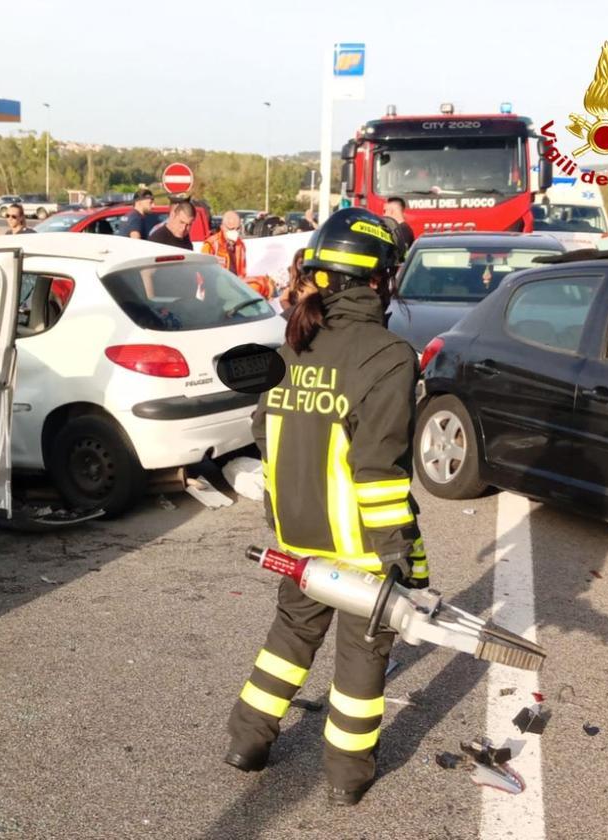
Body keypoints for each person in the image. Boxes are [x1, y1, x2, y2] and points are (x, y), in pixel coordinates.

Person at [225, 208, 428, 807]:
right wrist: (400, 553)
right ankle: (347, 775)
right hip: (357, 544)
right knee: (362, 658)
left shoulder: (291, 344)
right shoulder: (387, 354)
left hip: (296, 532)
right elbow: (378, 469)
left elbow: (264, 432)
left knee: (290, 634)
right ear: (380, 279)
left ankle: (247, 740)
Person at [201, 211, 246, 277]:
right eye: (231, 229)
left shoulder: (240, 245)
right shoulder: (211, 244)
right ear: (222, 227)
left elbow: (242, 273)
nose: (235, 232)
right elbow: (203, 272)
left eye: (237, 229)